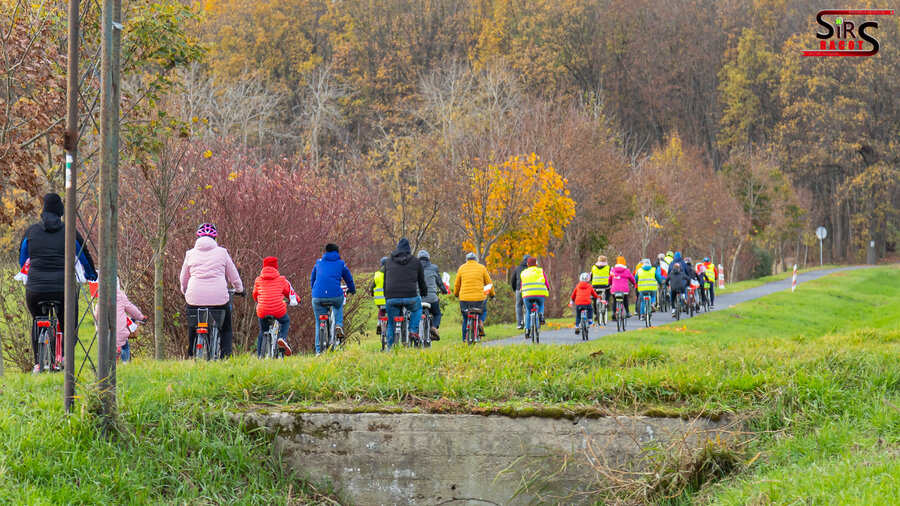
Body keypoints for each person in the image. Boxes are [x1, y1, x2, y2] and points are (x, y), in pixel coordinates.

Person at [19, 193, 98, 373]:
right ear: (60, 211)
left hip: (36, 288)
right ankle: (63, 358)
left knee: (37, 319)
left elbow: (22, 260)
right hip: (63, 288)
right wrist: (91, 274)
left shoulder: (30, 232)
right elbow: (84, 256)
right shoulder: (70, 231)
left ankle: (38, 363)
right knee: (68, 322)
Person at [180, 222, 244, 358]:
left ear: (197, 237)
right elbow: (233, 276)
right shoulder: (222, 252)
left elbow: (183, 279)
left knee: (192, 325)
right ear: (215, 238)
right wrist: (239, 289)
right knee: (226, 328)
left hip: (194, 297)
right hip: (218, 298)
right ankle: (225, 357)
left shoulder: (190, 254)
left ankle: (191, 354)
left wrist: (184, 290)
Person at [310, 243, 356, 354]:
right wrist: (352, 289)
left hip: (318, 296)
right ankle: (338, 325)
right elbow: (348, 279)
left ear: (325, 252)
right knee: (338, 305)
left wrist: (315, 290)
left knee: (318, 322)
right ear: (337, 252)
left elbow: (312, 278)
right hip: (335, 295)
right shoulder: (341, 263)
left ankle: (318, 351)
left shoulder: (318, 263)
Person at [383, 238, 427, 349]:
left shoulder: (388, 262)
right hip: (410, 296)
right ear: (409, 249)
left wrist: (386, 295)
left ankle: (389, 349)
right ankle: (412, 330)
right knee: (417, 309)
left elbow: (385, 282)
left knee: (391, 324)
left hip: (391, 297)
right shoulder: (416, 261)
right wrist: (423, 292)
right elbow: (421, 281)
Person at [253, 256, 298, 357]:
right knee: (285, 321)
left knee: (262, 331)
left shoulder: (258, 280)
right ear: (276, 267)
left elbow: (255, 295)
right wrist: (298, 300)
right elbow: (290, 293)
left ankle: (259, 355)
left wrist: (260, 301)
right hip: (278, 310)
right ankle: (282, 338)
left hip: (262, 310)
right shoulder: (281, 280)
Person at [93, 276, 144, 363]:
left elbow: (97, 314)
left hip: (105, 333)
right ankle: (125, 362)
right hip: (120, 332)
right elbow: (131, 309)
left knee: (105, 347)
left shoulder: (102, 297)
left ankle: (107, 363)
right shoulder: (121, 296)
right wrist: (141, 317)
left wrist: (97, 321)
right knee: (125, 345)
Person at [454, 252, 495, 339]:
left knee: (465, 319)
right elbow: (489, 283)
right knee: (483, 310)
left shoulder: (461, 268)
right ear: (476, 260)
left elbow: (457, 285)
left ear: (466, 260)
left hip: (464, 299)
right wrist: (492, 295)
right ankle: (480, 322)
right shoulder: (482, 268)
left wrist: (456, 294)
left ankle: (465, 340)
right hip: (479, 299)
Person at [418, 250, 448, 340]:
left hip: (417, 298)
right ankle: (434, 327)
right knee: (437, 314)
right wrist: (444, 290)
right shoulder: (434, 268)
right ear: (428, 258)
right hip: (431, 298)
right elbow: (439, 282)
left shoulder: (414, 268)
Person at [520, 257, 550, 332]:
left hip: (527, 294)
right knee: (541, 304)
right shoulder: (540, 271)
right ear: (536, 264)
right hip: (539, 293)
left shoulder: (524, 272)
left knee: (528, 310)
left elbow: (522, 283)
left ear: (527, 265)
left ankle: (527, 330)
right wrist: (548, 288)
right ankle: (541, 314)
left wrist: (521, 289)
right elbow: (545, 281)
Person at [509, 255, 531, 329]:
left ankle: (520, 323)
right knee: (528, 306)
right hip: (528, 290)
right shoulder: (530, 269)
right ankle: (528, 322)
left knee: (518, 305)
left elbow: (513, 280)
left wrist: (515, 289)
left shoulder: (517, 268)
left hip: (519, 290)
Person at [369, 257, 388, 334]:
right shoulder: (391, 273)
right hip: (388, 298)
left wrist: (372, 293)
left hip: (378, 300)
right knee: (391, 310)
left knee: (381, 310)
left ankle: (379, 321)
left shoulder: (377, 274)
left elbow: (372, 286)